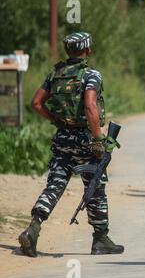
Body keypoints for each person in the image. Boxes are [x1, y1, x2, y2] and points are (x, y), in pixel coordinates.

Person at [18, 32, 123, 257]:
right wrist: (97, 139)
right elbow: (90, 106)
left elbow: (36, 103)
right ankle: (101, 238)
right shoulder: (91, 74)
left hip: (62, 139)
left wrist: (55, 120)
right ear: (88, 50)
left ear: (68, 50)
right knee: (95, 186)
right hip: (85, 139)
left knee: (55, 184)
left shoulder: (55, 74)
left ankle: (33, 228)